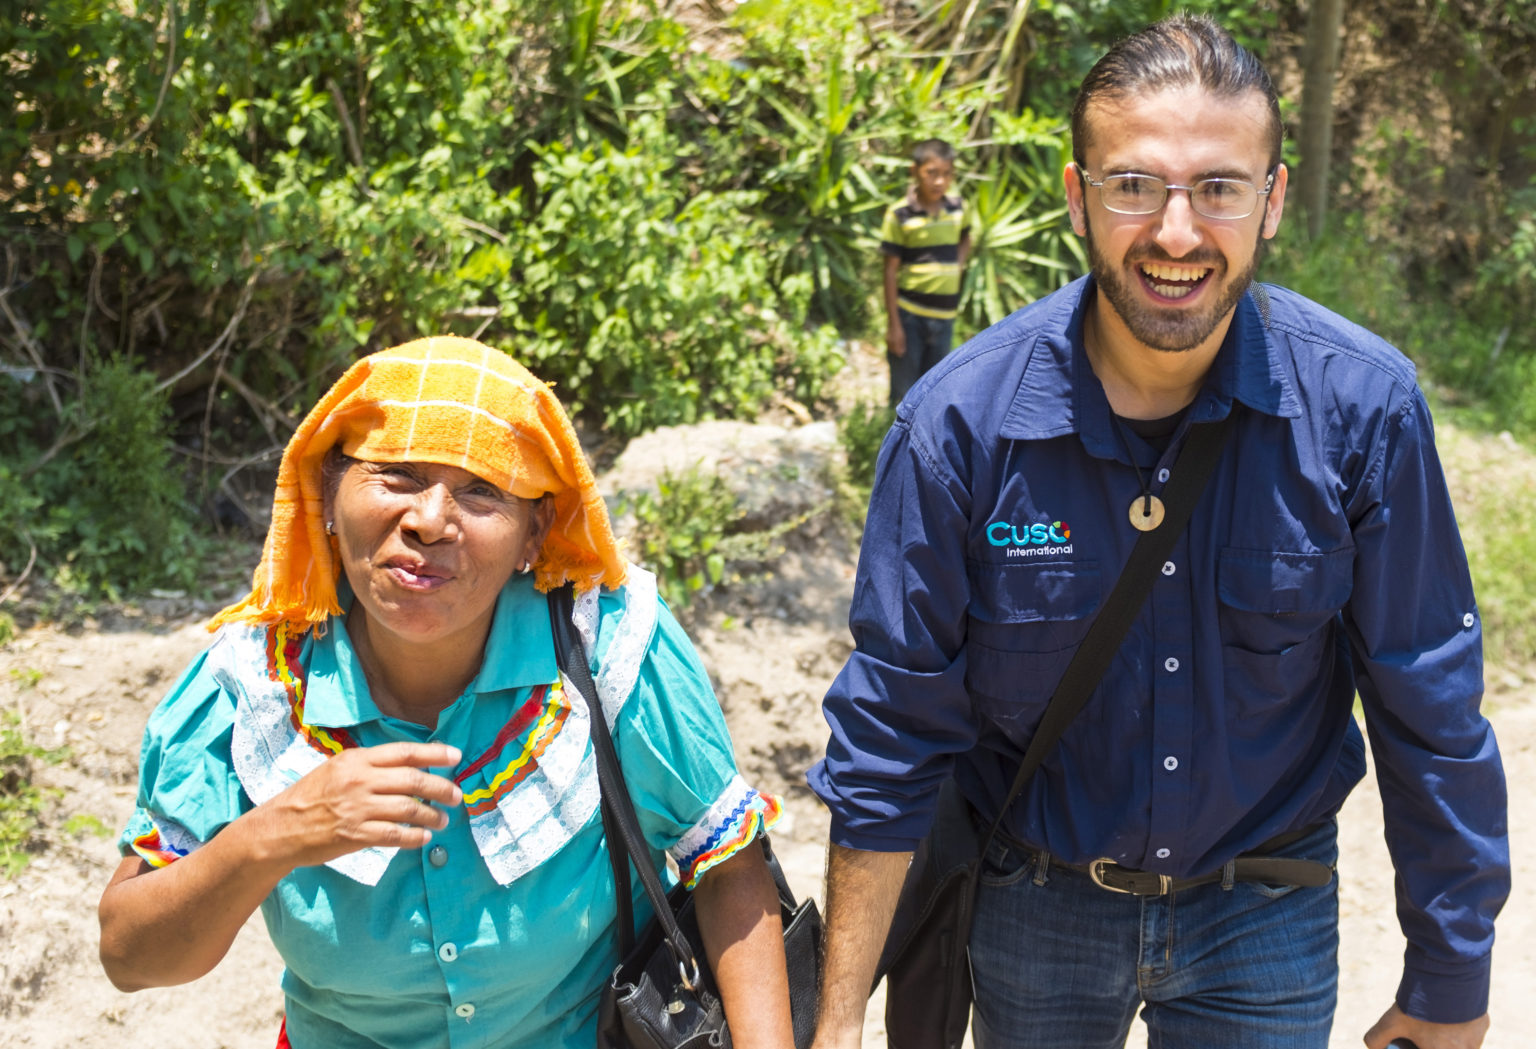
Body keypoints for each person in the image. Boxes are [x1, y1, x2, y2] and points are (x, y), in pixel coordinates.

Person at [809, 16, 1508, 1049]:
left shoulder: (1363, 410)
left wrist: (1452, 978)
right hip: (1035, 908)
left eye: (1219, 187)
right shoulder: (959, 425)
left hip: (1263, 909)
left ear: (1272, 201)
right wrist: (833, 1024)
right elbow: (891, 730)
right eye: (1134, 185)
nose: (1176, 232)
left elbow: (1428, 705)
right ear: (1077, 195)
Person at [98, 337, 796, 1049]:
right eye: (396, 474)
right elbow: (129, 957)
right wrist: (272, 835)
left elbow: (728, 867)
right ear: (329, 498)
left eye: (481, 491)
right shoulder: (256, 685)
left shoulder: (610, 650)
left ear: (534, 534)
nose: (430, 520)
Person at [879, 138, 972, 407]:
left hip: (944, 319)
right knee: (904, 396)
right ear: (914, 170)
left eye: (946, 174)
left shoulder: (958, 208)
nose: (939, 181)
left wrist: (958, 264)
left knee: (934, 394)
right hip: (910, 319)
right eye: (931, 173)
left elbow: (966, 237)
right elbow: (889, 270)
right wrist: (894, 325)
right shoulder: (900, 214)